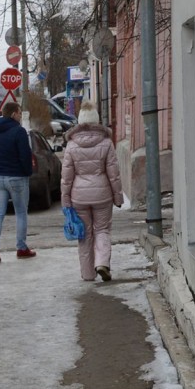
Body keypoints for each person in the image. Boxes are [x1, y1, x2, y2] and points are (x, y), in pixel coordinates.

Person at [60, 101, 123, 281]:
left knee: (84, 235)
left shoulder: (71, 146)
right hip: (102, 195)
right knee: (102, 229)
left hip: (79, 197)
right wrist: (118, 197)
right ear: (96, 121)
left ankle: (88, 275)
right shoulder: (106, 143)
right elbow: (114, 173)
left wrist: (65, 201)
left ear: (79, 122)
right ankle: (102, 263)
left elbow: (66, 178)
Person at [0, 101, 36, 263]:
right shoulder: (19, 132)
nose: (20, 116)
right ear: (13, 114)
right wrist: (27, 172)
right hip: (17, 177)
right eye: (19, 113)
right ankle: (21, 247)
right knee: (21, 213)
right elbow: (25, 156)